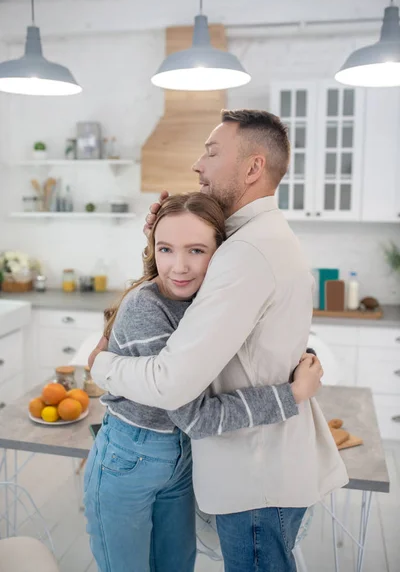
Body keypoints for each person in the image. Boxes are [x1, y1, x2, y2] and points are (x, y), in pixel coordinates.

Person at [90, 109, 349, 572]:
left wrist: (103, 365)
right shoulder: (256, 238)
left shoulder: (245, 252)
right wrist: (166, 238)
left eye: (211, 153)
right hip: (242, 462)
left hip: (253, 471)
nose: (198, 166)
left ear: (252, 168)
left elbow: (173, 387)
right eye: (170, 250)